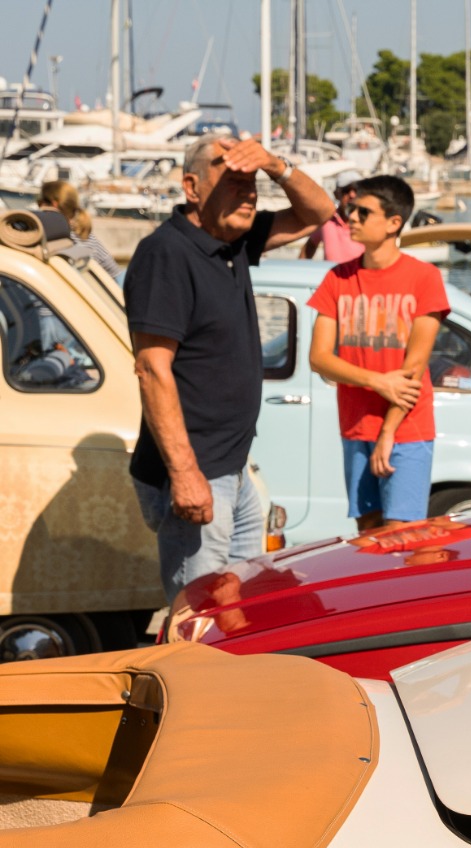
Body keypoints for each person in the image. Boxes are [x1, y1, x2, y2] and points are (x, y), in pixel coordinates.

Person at [124, 132, 335, 601]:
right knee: (197, 612)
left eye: (253, 180)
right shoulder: (167, 254)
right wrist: (184, 474)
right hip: (197, 469)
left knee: (237, 608)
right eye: (233, 180)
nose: (249, 191)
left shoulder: (234, 241)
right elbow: (152, 369)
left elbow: (320, 213)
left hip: (232, 468)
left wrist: (278, 165)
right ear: (192, 188)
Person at [306, 175, 448, 531]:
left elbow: (413, 369)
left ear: (393, 223)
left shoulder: (424, 278)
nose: (351, 217)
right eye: (351, 209)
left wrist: (388, 433)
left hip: (407, 428)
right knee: (368, 532)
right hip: (355, 427)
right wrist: (376, 381)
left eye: (363, 212)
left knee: (401, 532)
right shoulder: (337, 279)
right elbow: (319, 358)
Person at [35, 180, 121, 278]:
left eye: (40, 203)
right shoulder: (86, 236)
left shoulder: (59, 239)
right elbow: (115, 272)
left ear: (54, 205)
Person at [301, 170, 364, 261]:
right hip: (332, 275)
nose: (352, 195)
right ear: (336, 194)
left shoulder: (369, 221)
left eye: (356, 190)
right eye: (346, 190)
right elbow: (310, 247)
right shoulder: (326, 220)